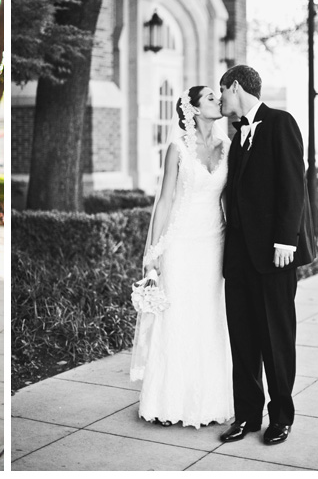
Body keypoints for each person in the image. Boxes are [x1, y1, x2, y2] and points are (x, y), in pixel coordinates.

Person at [217, 65, 317, 446]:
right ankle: (246, 416)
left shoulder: (281, 123)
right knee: (242, 340)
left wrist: (285, 241)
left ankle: (281, 417)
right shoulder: (237, 132)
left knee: (276, 339)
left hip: (275, 255)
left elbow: (294, 184)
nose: (222, 98)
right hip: (239, 257)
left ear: (236, 87)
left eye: (222, 91)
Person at [130, 86, 234, 428]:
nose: (217, 101)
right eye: (209, 97)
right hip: (180, 242)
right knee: (176, 316)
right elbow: (165, 200)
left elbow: (231, 201)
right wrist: (153, 252)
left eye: (218, 96)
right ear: (191, 108)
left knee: (209, 316)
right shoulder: (177, 148)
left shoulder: (228, 147)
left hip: (213, 242)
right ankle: (170, 401)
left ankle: (210, 401)